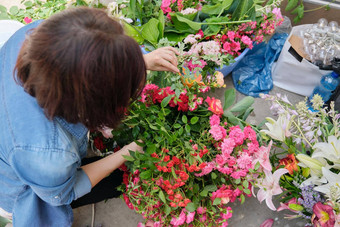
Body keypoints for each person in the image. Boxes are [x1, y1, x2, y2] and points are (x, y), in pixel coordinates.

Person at [0, 7, 179, 227]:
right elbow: (63, 193)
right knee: (120, 177)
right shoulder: (47, 156)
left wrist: (138, 61)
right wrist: (128, 152)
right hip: (20, 185)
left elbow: (84, 59)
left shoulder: (38, 35)